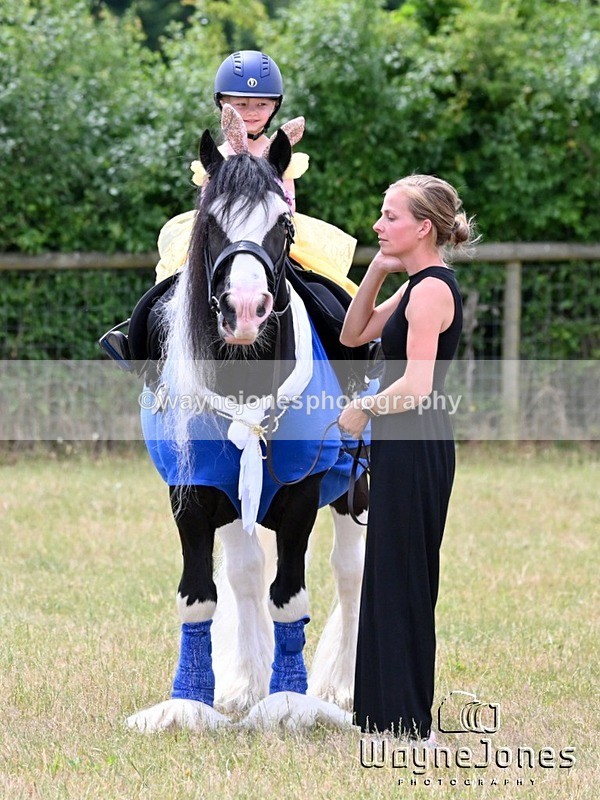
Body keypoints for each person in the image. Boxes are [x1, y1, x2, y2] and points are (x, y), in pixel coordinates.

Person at [337, 174, 474, 739]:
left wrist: (364, 407)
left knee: (407, 577)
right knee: (388, 572)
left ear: (423, 228)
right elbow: (353, 334)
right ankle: (381, 716)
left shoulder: (433, 290)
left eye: (390, 216)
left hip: (417, 440)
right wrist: (376, 268)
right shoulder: (416, 285)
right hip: (402, 441)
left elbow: (417, 386)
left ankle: (408, 722)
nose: (378, 224)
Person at [155, 50, 358, 296]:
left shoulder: (280, 156)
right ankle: (149, 318)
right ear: (223, 104)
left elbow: (289, 203)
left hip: (271, 230)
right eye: (241, 104)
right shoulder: (218, 156)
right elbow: (209, 202)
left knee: (324, 287)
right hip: (225, 232)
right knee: (173, 283)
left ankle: (335, 317)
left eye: (261, 104)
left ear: (275, 105)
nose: (251, 112)